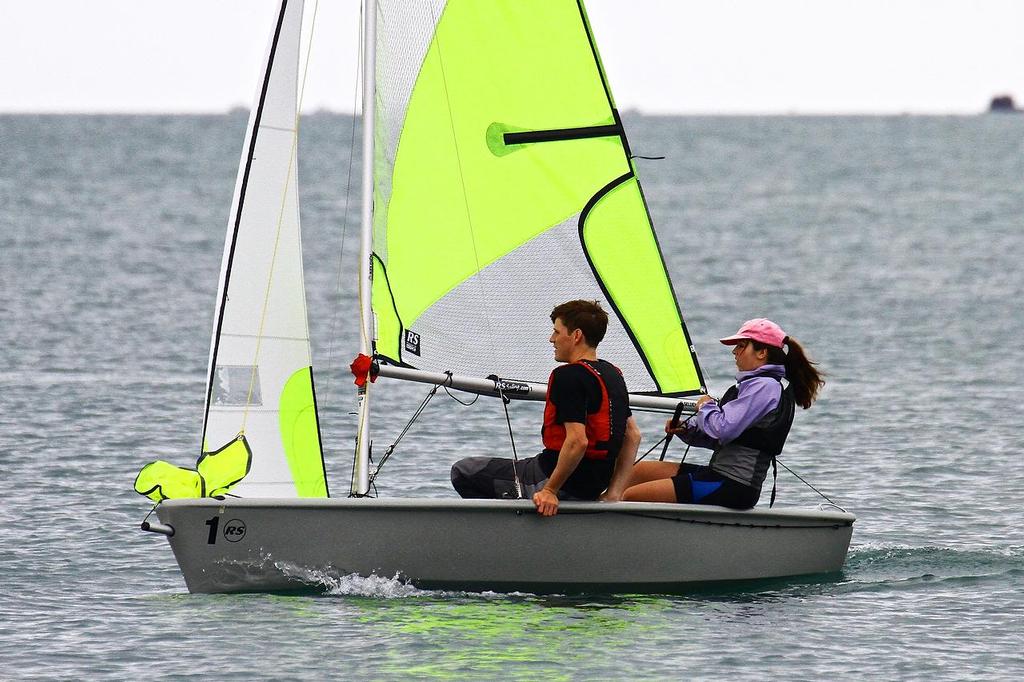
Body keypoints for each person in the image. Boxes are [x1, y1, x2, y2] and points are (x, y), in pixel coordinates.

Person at [451, 300, 641, 516]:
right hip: (594, 486)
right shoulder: (613, 374)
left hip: (554, 480)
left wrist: (550, 490)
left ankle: (508, 536)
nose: (552, 339)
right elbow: (633, 436)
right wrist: (613, 494)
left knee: (463, 471)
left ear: (576, 335)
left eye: (556, 332)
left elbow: (578, 441)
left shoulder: (567, 376)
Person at [615, 318, 824, 509]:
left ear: (762, 353)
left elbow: (722, 429)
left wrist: (706, 406)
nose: (734, 352)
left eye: (741, 346)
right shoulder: (754, 385)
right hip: (719, 476)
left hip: (734, 485)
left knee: (630, 495)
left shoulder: (764, 387)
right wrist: (687, 431)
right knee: (635, 472)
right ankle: (602, 508)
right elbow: (720, 439)